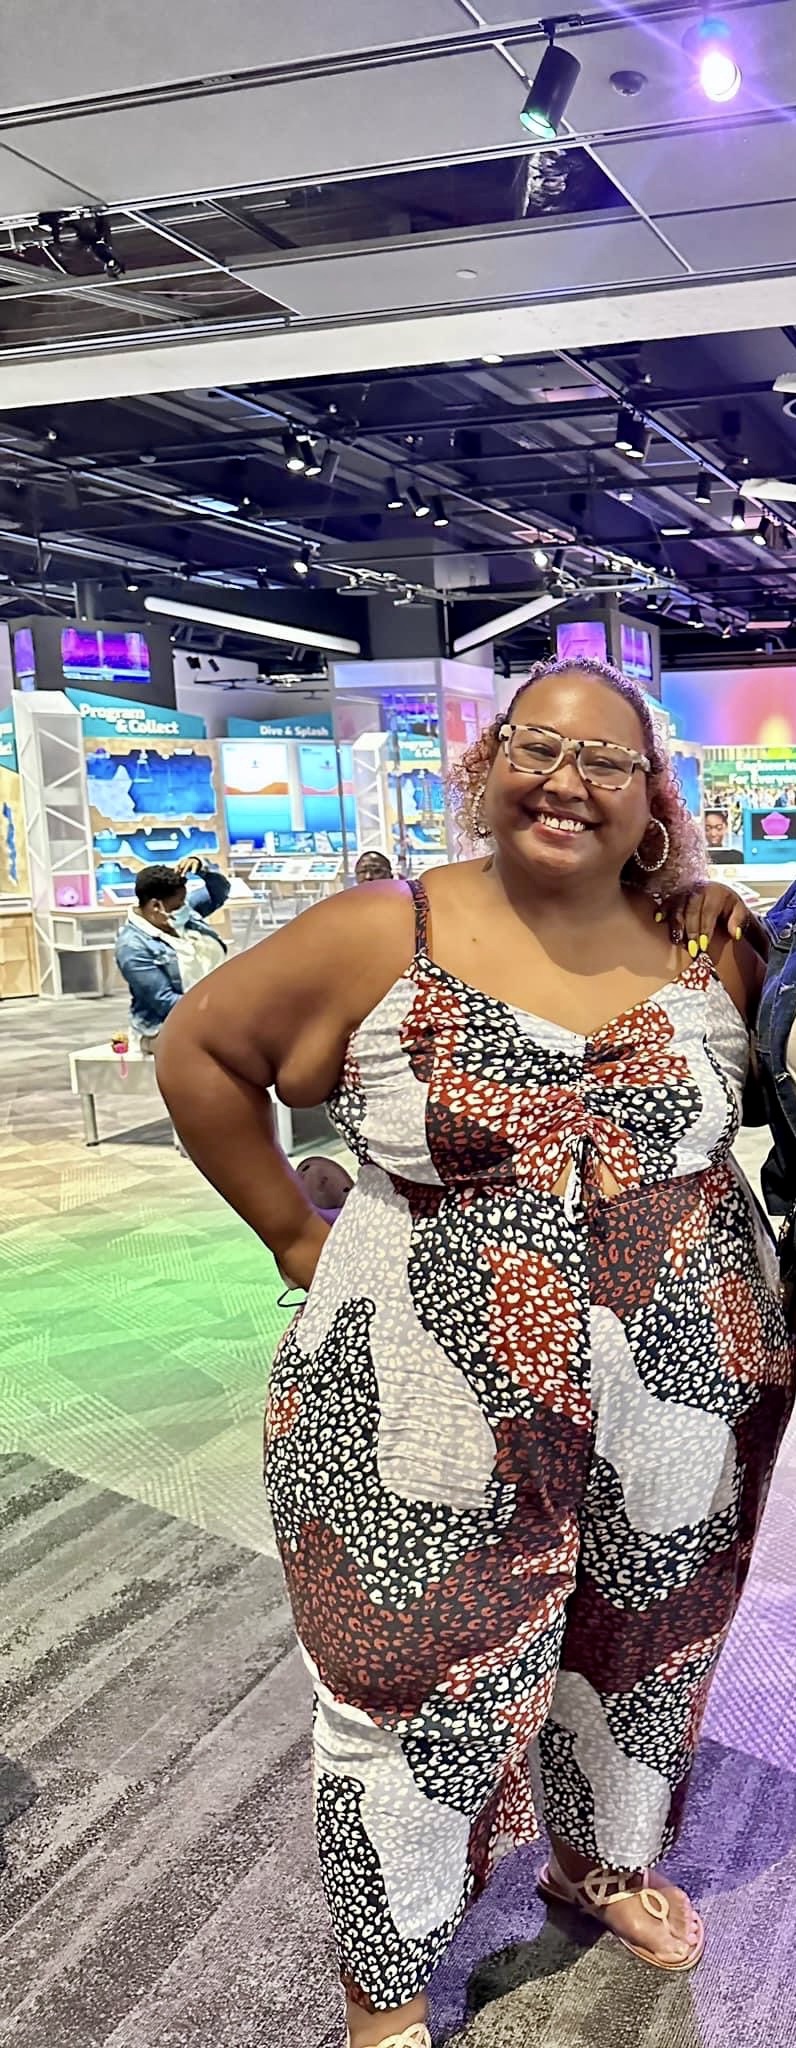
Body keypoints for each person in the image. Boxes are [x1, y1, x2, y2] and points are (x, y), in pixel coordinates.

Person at [155, 659, 795, 2048]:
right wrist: (291, 1233)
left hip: (686, 1392)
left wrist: (724, 907)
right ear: (487, 767)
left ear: (652, 799)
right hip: (419, 1406)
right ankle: (384, 1994)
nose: (566, 780)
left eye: (605, 760)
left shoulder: (710, 947)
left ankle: (599, 1863)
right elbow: (202, 1050)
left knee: (648, 1649)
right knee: (407, 1686)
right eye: (535, 747)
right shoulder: (383, 928)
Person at [116, 855, 230, 1050]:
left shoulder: (183, 914)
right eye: (178, 905)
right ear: (155, 906)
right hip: (168, 1029)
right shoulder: (132, 947)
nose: (185, 908)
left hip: (213, 1014)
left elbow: (219, 891)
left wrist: (202, 869)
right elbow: (164, 1000)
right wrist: (220, 1011)